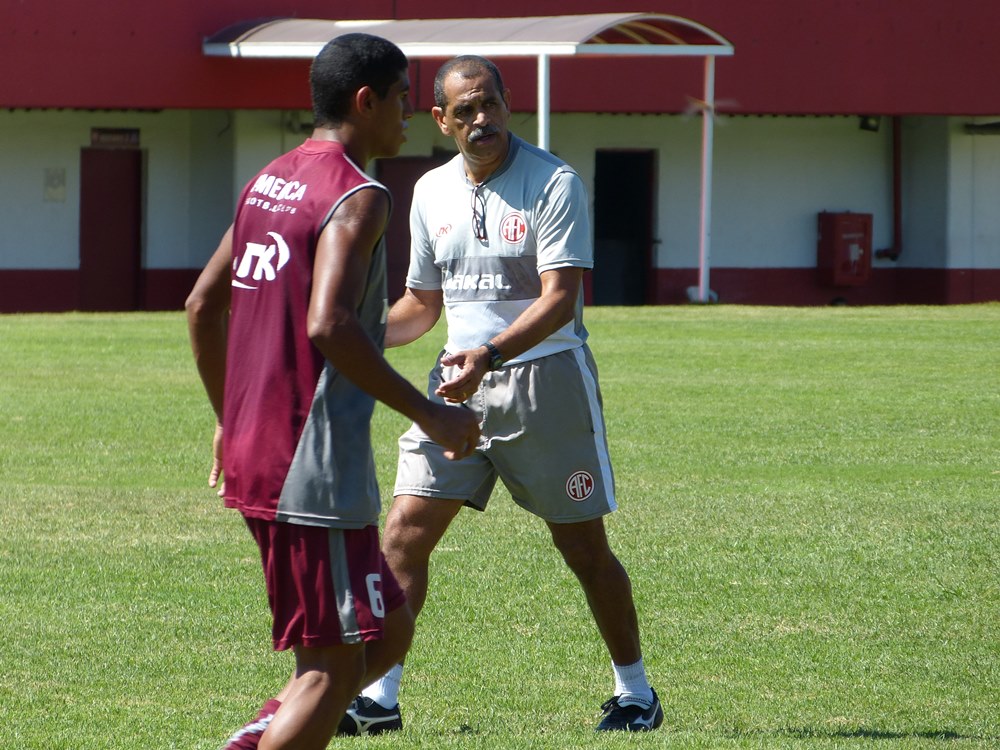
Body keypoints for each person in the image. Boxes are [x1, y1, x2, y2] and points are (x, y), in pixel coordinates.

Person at [343, 55, 663, 734]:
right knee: (403, 535)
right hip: (455, 392)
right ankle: (379, 699)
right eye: (466, 111)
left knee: (583, 549)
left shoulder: (555, 182)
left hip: (545, 387)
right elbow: (421, 305)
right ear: (440, 119)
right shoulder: (429, 192)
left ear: (508, 103)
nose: (482, 120)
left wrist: (487, 356)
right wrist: (355, 335)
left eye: (490, 105)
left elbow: (559, 301)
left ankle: (636, 692)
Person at [185, 35, 480, 750]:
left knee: (387, 627)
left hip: (263, 447)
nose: (412, 111)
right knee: (329, 667)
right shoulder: (359, 195)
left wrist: (229, 418)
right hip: (308, 467)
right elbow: (330, 325)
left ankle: (261, 733)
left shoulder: (269, 180)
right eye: (405, 96)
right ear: (366, 100)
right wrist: (430, 413)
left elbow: (201, 304)